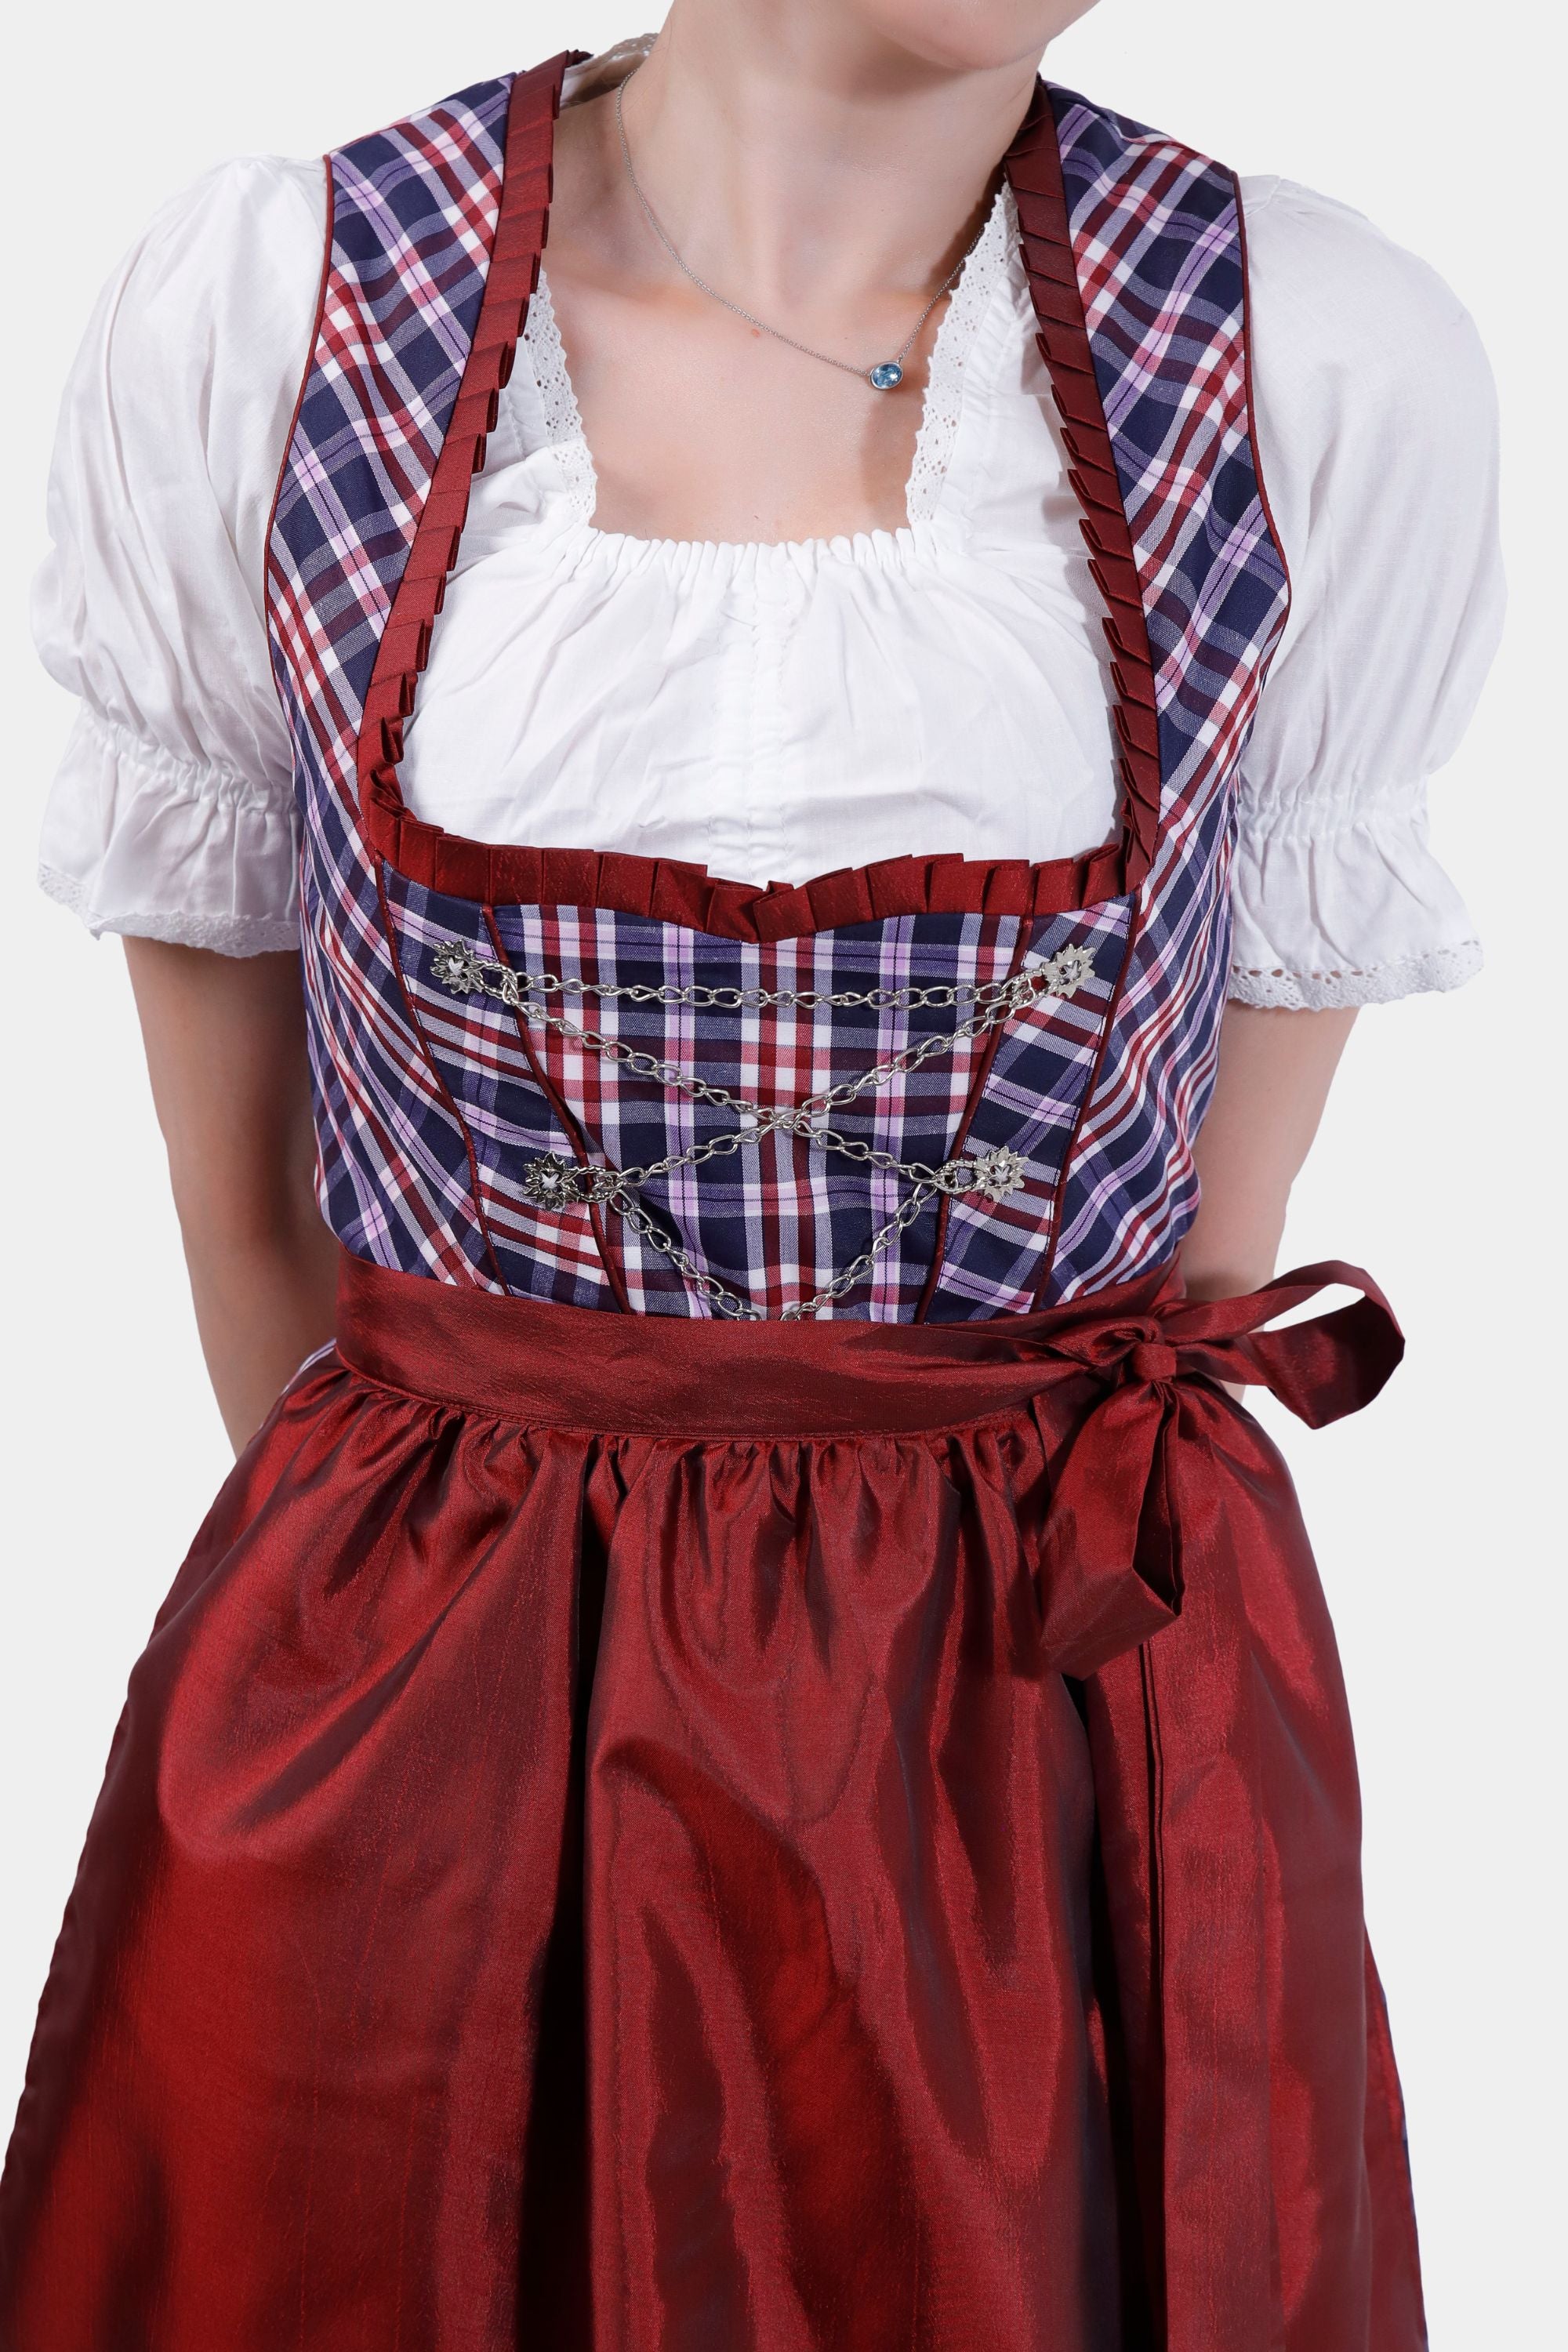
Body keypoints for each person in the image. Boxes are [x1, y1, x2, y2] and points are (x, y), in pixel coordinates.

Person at [0, 5, 1501, 2347]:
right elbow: (254, 1238)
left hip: (1041, 1739)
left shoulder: (1314, 363)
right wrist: (505, 1647)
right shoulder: (277, 312)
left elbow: (1180, 1282)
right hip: (423, 1708)